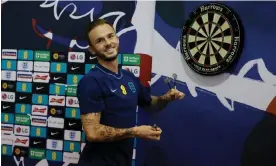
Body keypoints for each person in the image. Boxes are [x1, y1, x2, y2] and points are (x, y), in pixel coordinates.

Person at [76, 18, 185, 166]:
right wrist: (135, 131)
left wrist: (166, 98)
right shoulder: (91, 81)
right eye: (100, 40)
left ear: (117, 38)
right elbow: (93, 132)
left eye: (110, 36)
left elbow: (149, 103)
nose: (108, 43)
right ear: (92, 50)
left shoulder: (128, 77)